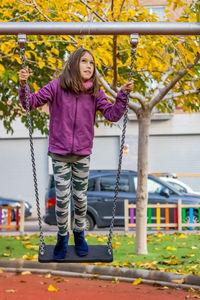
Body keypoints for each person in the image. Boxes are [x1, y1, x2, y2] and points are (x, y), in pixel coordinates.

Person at [19, 48, 133, 260]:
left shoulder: (95, 92)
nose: (89, 66)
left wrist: (122, 96)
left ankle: (79, 234)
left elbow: (112, 115)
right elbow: (30, 103)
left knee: (80, 199)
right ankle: (63, 237)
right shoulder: (56, 86)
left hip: (82, 154)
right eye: (84, 61)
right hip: (59, 154)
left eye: (92, 63)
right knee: (62, 200)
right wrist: (24, 85)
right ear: (73, 63)